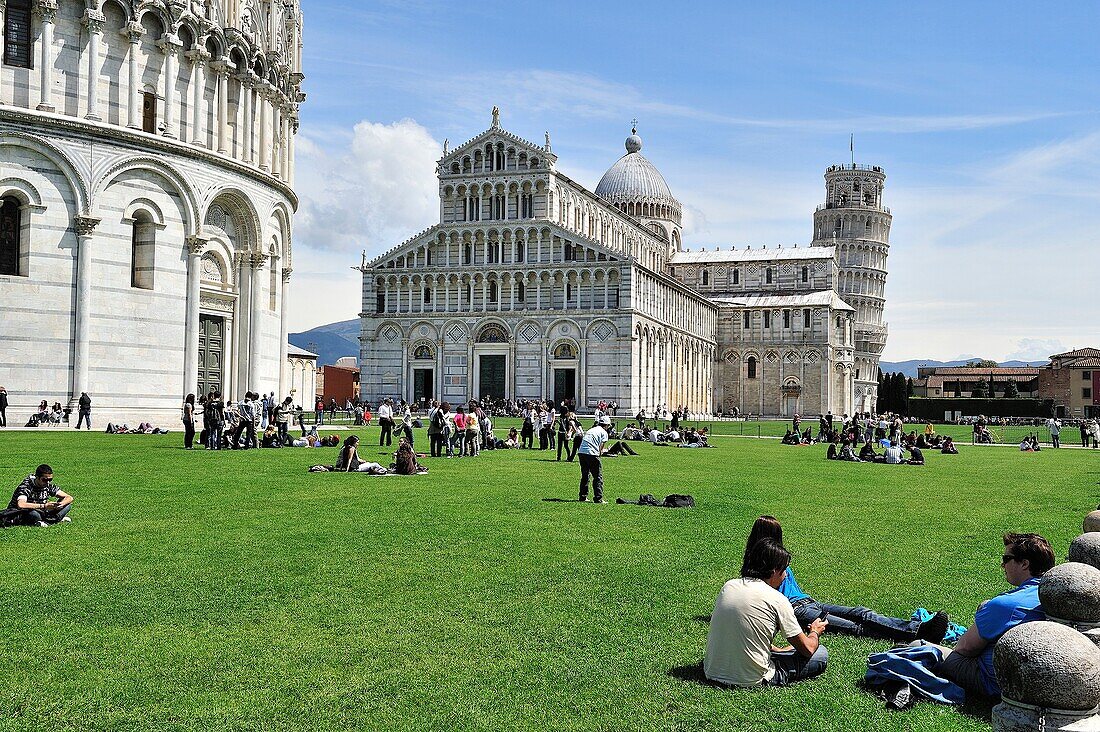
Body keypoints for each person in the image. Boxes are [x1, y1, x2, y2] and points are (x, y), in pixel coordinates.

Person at [741, 516, 948, 643]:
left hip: (809, 601)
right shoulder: (758, 567)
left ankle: (916, 629)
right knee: (853, 626)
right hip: (797, 610)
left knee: (860, 613)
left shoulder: (776, 556)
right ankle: (914, 633)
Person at [922, 533, 1054, 700]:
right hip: (1036, 680)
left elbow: (964, 649)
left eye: (1007, 558)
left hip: (994, 682)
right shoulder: (1051, 596)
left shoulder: (1007, 605)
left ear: (1024, 564)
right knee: (986, 606)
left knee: (917, 647)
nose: (1002, 565)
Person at [705, 538, 829, 687]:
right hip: (751, 679)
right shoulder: (778, 599)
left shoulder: (729, 586)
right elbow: (808, 649)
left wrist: (779, 650)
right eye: (784, 571)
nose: (785, 576)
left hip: (712, 671)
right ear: (774, 571)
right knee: (820, 653)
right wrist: (815, 632)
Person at [7, 464, 73, 527]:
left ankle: (50, 519)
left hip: (41, 510)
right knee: (34, 514)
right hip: (21, 512)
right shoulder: (26, 486)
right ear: (37, 477)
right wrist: (44, 506)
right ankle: (54, 519)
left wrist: (60, 504)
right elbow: (21, 504)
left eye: (50, 480)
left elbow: (69, 497)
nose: (47, 482)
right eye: (44, 480)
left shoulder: (48, 485)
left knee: (67, 505)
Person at [577, 415, 611, 503]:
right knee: (597, 477)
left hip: (582, 452)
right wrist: (603, 452)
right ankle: (598, 498)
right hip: (592, 453)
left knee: (585, 476)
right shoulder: (604, 433)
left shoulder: (591, 429)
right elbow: (600, 449)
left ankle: (583, 496)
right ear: (607, 425)